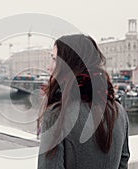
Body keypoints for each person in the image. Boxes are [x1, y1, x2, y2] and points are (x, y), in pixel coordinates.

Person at [37, 34, 130, 169]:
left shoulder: (57, 114)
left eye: (54, 59)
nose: (48, 67)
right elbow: (123, 161)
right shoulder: (118, 111)